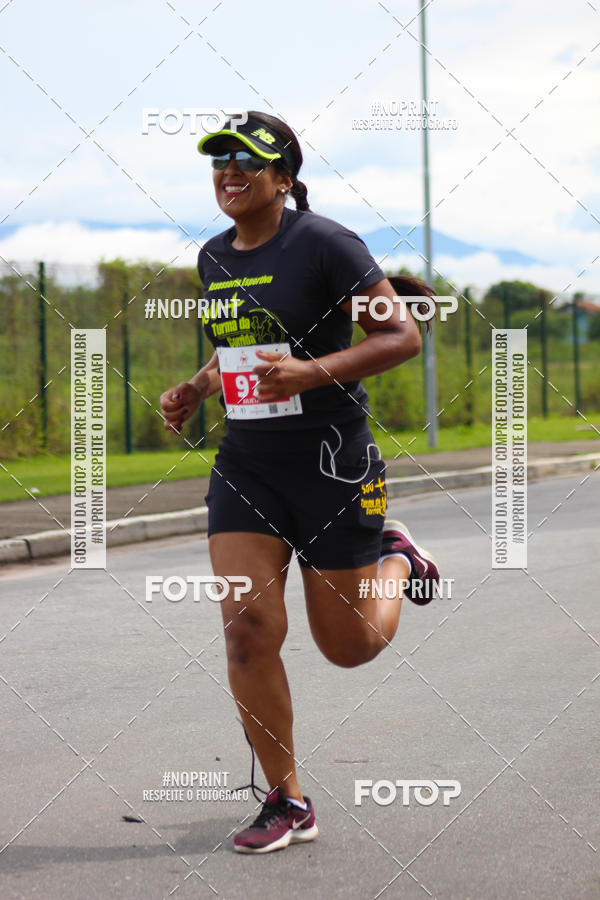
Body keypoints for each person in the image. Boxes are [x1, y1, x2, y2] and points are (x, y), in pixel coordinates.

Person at [160, 111, 440, 854]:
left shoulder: (325, 244)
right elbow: (239, 347)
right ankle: (287, 801)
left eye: (247, 161)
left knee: (349, 646)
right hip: (247, 467)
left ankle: (394, 557)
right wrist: (196, 387)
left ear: (283, 178)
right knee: (247, 631)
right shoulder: (214, 257)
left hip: (330, 465)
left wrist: (311, 372)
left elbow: (401, 335)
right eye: (219, 160)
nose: (229, 172)